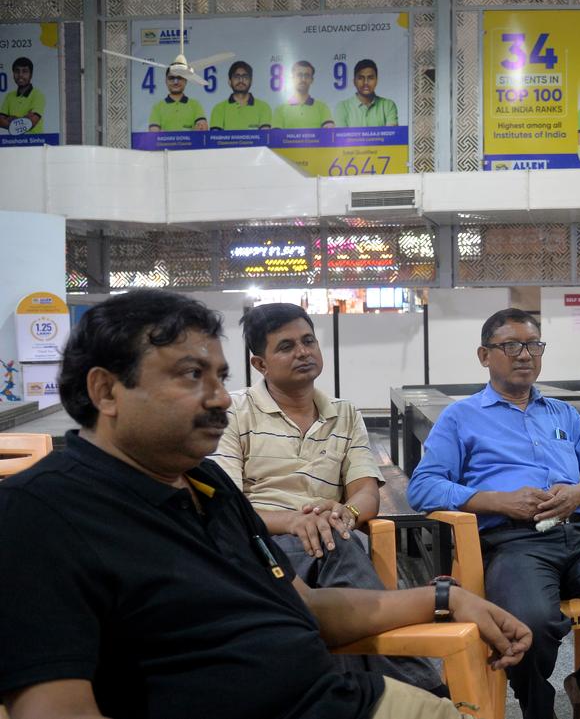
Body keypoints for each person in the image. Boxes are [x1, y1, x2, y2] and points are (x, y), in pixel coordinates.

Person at [0, 289, 531, 719]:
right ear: (106, 391)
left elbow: (301, 606)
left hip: (341, 697)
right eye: (191, 375)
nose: (218, 397)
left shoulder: (207, 486)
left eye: (220, 378)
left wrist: (445, 598)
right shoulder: (40, 514)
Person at [407, 308, 580, 719]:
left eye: (534, 345)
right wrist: (495, 500)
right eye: (511, 345)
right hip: (512, 543)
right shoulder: (461, 418)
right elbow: (423, 487)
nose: (524, 355)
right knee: (531, 623)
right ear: (484, 355)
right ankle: (538, 708)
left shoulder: (563, 414)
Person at [211, 303, 443, 695]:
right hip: (264, 547)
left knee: (340, 542)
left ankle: (354, 693)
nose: (303, 352)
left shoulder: (344, 413)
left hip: (331, 541)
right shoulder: (235, 412)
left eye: (308, 341)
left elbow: (366, 491)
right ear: (259, 363)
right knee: (342, 548)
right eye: (286, 346)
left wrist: (346, 511)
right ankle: (423, 688)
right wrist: (294, 521)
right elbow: (227, 503)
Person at [334, 59, 399, 128]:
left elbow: (391, 136)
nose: (365, 83)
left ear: (376, 80)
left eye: (370, 78)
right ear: (354, 81)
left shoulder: (388, 105)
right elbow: (341, 137)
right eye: (360, 78)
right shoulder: (342, 107)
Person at [209, 60, 272, 131]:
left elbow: (265, 139)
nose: (241, 81)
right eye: (236, 77)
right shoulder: (219, 109)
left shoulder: (263, 108)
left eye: (245, 77)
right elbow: (215, 139)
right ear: (229, 82)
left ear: (251, 81)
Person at [273, 60, 335, 129]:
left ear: (312, 80)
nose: (303, 79)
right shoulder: (280, 110)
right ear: (292, 79)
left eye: (307, 75)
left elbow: (329, 135)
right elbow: (276, 137)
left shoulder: (322, 108)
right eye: (299, 75)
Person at [0, 56, 45, 134]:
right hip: (14, 143)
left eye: (25, 71)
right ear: (13, 74)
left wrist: (11, 120)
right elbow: (0, 121)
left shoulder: (38, 95)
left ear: (31, 75)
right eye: (17, 71)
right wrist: (24, 119)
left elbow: (32, 122)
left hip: (35, 142)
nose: (20, 75)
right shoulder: (9, 96)